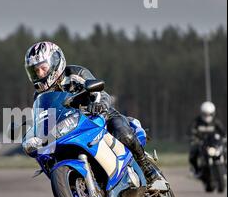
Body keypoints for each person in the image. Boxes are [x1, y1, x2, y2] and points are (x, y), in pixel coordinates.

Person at [24, 41, 161, 185]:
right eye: (35, 71)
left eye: (43, 68)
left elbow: (101, 93)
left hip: (99, 116)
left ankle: (145, 166)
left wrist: (99, 104)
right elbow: (41, 119)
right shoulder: (39, 97)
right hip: (70, 130)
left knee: (123, 133)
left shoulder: (75, 74)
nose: (40, 74)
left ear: (55, 62)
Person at [188, 101, 226, 176]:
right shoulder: (197, 121)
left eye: (209, 114)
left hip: (214, 144)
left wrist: (224, 137)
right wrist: (193, 138)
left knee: (224, 151)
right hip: (202, 143)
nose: (207, 116)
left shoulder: (216, 122)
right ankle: (196, 170)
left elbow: (223, 132)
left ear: (213, 113)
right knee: (193, 154)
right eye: (205, 114)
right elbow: (190, 131)